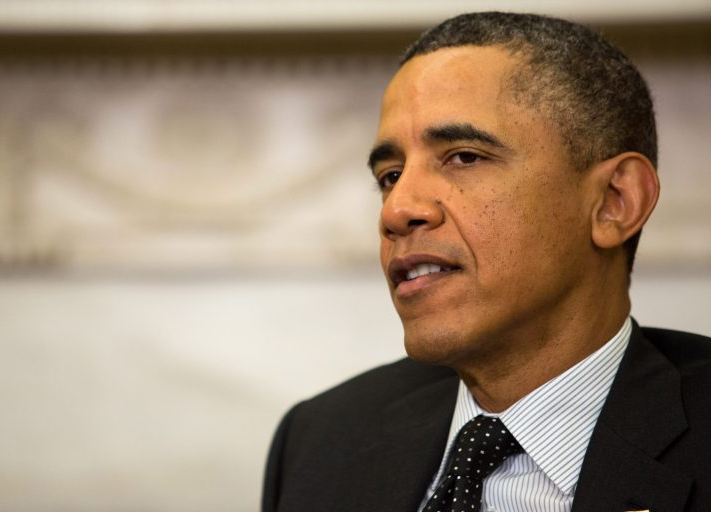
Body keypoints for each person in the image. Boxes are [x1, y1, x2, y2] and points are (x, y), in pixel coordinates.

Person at [262, 12, 711, 512]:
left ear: (614, 202)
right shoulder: (321, 444)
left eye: (464, 157)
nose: (396, 210)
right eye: (390, 176)